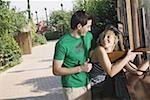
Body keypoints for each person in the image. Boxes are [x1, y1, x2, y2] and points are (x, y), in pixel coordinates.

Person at [89, 26, 149, 99]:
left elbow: (137, 72)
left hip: (104, 88)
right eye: (103, 36)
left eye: (108, 37)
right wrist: (127, 57)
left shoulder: (117, 55)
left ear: (115, 40)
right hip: (94, 89)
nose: (104, 39)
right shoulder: (99, 50)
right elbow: (111, 72)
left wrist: (148, 61)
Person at [52, 10, 93, 100]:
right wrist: (80, 68)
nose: (90, 29)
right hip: (72, 87)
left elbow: (93, 52)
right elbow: (56, 70)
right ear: (79, 26)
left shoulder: (88, 36)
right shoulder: (62, 43)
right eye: (88, 26)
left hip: (87, 83)